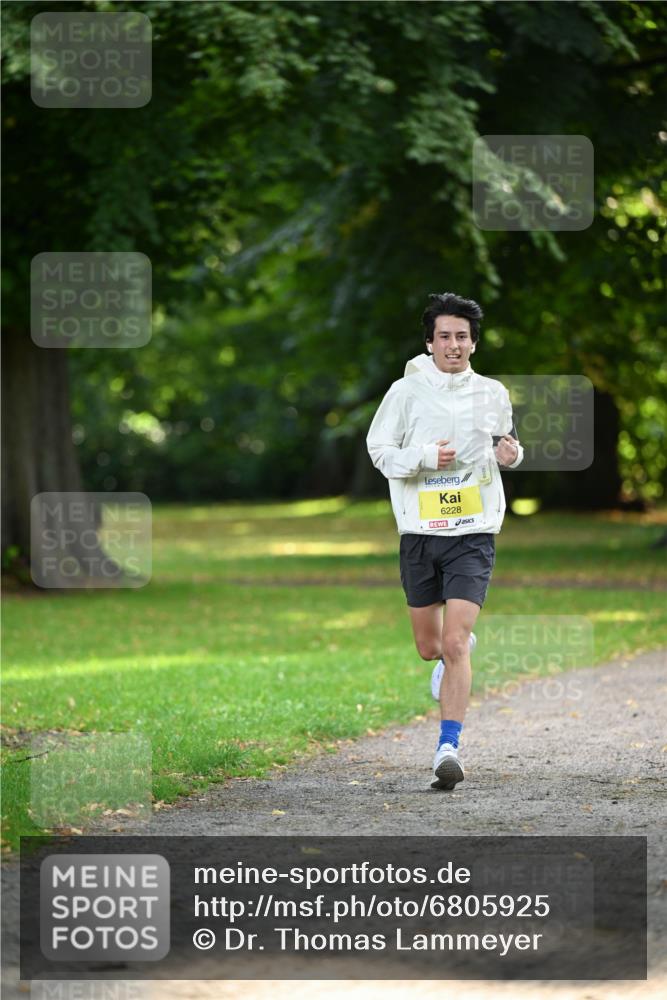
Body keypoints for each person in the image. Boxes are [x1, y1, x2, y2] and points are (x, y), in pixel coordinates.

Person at [366, 292, 524, 790]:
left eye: (461, 336)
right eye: (444, 336)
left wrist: (511, 456)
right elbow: (379, 451)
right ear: (429, 342)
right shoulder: (404, 393)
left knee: (453, 643)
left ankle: (447, 748)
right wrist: (423, 458)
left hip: (473, 530)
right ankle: (455, 651)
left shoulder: (493, 393)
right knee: (430, 646)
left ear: (474, 343)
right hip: (420, 532)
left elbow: (505, 447)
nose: (453, 345)